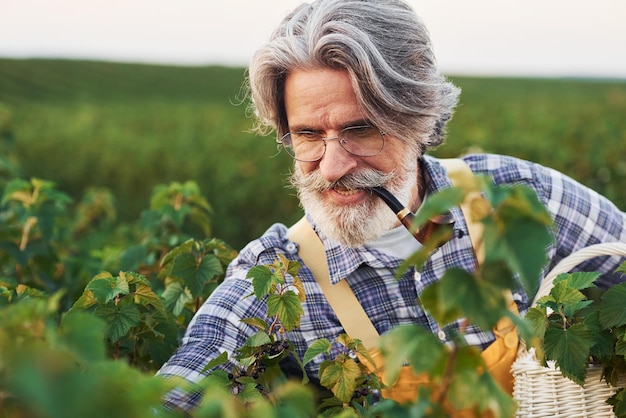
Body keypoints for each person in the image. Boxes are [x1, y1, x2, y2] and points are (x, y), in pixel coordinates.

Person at [157, 0, 626, 413]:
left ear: (416, 118)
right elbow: (181, 391)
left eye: (360, 130)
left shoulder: (519, 199)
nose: (334, 165)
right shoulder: (279, 282)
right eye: (308, 135)